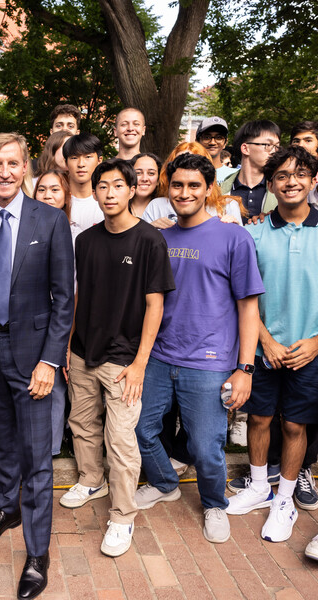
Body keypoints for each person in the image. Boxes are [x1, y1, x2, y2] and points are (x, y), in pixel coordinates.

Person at [0, 132, 74, 599]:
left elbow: (64, 298)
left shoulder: (51, 221)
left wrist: (49, 359)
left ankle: (37, 552)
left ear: (26, 168)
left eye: (12, 163)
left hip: (33, 358)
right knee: (1, 444)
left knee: (37, 459)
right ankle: (8, 509)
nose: (3, 171)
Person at [134, 153, 264, 544]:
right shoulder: (157, 237)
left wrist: (245, 369)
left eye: (194, 185)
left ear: (209, 190)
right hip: (158, 357)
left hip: (209, 363)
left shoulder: (233, 237)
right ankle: (164, 482)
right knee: (139, 429)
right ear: (167, 189)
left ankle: (213, 503)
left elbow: (248, 307)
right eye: (177, 185)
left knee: (206, 449)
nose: (184, 192)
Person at [61, 158, 174, 558]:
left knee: (122, 439)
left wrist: (141, 362)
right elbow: (79, 297)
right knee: (81, 422)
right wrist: (69, 344)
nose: (109, 193)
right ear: (95, 192)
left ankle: (123, 516)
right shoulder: (86, 241)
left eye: (117, 186)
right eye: (102, 187)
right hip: (82, 351)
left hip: (124, 358)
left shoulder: (148, 241)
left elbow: (155, 305)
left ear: (131, 190)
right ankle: (91, 479)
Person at [226, 146, 318, 543]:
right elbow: (242, 297)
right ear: (270, 184)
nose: (291, 181)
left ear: (313, 181)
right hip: (264, 349)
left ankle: (284, 500)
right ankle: (260, 485)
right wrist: (264, 339)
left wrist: (316, 342)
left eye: (299, 174)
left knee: (296, 425)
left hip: (308, 352)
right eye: (281, 176)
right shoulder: (253, 233)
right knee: (259, 420)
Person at [34, 169, 74, 456]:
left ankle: (52, 447)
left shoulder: (72, 232)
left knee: (56, 383)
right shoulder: (28, 227)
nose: (48, 196)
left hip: (63, 316)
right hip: (32, 318)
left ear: (66, 195)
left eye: (55, 190)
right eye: (42, 190)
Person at [143, 142, 245, 229]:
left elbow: (237, 244)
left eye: (194, 162)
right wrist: (150, 229)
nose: (186, 168)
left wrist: (233, 229)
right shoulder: (156, 206)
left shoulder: (227, 206)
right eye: (179, 162)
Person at [221, 120, 281, 218]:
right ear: (245, 149)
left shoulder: (281, 190)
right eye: (268, 145)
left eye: (277, 146)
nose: (274, 151)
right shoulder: (220, 191)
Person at [63, 133, 104, 234]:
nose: (81, 164)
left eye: (88, 157)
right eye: (74, 157)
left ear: (99, 160)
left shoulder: (107, 199)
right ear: (66, 163)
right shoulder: (58, 200)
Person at [195, 116, 238, 183]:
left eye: (219, 137)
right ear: (197, 142)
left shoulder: (236, 176)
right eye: (207, 137)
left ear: (225, 143)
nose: (212, 142)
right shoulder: (189, 173)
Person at [130, 153, 162, 218]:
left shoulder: (166, 210)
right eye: (138, 173)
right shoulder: (118, 207)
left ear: (158, 180)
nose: (144, 179)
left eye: (151, 173)